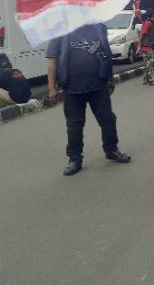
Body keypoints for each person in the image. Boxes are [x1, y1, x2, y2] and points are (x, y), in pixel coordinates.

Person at [47, 23, 131, 176]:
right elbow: (52, 62)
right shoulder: (60, 31)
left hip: (98, 86)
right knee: (74, 126)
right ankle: (75, 159)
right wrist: (52, 88)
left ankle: (111, 149)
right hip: (72, 89)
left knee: (108, 120)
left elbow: (106, 54)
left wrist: (110, 78)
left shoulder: (98, 27)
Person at [138, 9, 154, 86]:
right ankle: (151, 80)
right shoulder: (148, 23)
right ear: (151, 15)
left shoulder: (148, 23)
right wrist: (139, 45)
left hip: (146, 46)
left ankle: (146, 79)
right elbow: (143, 34)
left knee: (146, 64)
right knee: (149, 64)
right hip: (148, 47)